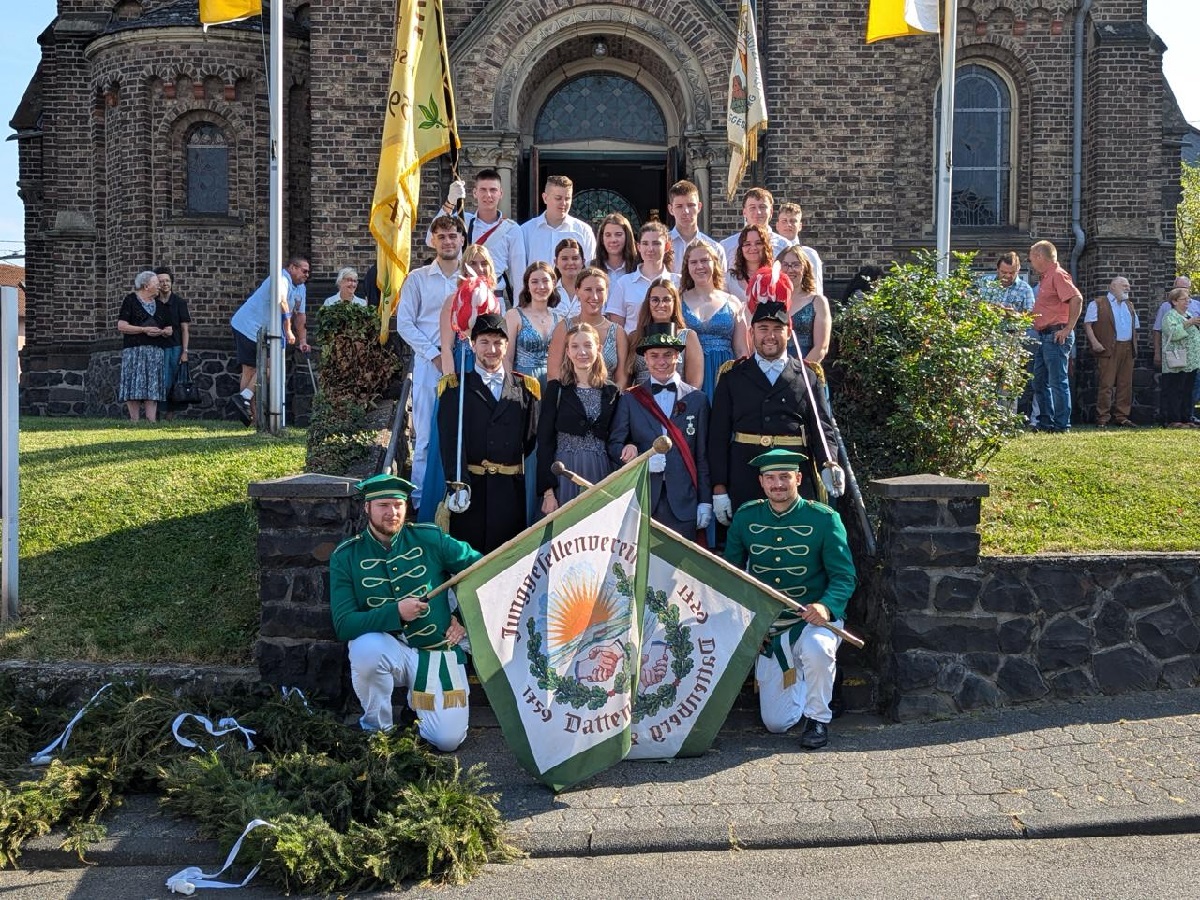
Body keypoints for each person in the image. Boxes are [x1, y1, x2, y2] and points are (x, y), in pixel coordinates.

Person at [329, 473, 480, 750]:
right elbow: (344, 624)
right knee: (365, 648)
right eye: (383, 505)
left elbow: (481, 569)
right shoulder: (346, 556)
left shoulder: (429, 537)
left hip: (437, 650)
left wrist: (463, 619)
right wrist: (395, 612)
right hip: (389, 652)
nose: (392, 513)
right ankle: (378, 730)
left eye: (398, 505)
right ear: (367, 508)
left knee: (448, 741)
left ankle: (417, 708)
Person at [724, 449, 856, 750]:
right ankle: (810, 682)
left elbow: (844, 577)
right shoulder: (746, 517)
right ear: (761, 482)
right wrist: (747, 624)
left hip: (814, 620)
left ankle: (818, 719)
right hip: (772, 627)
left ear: (798, 478)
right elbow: (731, 575)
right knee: (777, 724)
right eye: (770, 478)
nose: (778, 484)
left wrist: (825, 605)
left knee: (818, 649)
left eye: (785, 477)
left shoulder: (824, 519)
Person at [709, 292, 843, 521]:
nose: (769, 336)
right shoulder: (732, 376)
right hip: (745, 474)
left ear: (788, 333)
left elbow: (821, 428)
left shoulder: (807, 376)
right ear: (751, 334)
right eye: (762, 329)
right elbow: (717, 436)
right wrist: (719, 488)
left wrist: (828, 463)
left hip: (794, 475)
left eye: (777, 329)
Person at [437, 313, 540, 553]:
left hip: (508, 492)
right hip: (470, 490)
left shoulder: (525, 389)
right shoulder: (455, 388)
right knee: (468, 561)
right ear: (473, 345)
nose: (491, 349)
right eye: (484, 342)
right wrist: (457, 485)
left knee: (504, 563)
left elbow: (530, 439)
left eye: (498, 342)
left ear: (507, 346)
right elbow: (450, 443)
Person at [609, 323, 712, 541]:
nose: (661, 362)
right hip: (644, 499)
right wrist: (638, 458)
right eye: (654, 355)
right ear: (645, 359)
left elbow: (703, 456)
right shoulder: (630, 398)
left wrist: (705, 501)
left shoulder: (697, 400)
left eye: (668, 355)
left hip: (685, 500)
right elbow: (614, 446)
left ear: (678, 357)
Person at [396, 215, 464, 511]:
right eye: (442, 237)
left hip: (464, 360)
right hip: (429, 362)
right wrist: (433, 354)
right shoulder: (418, 278)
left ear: (462, 239)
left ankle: (458, 499)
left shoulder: (472, 277)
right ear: (433, 241)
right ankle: (421, 501)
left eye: (453, 236)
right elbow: (404, 324)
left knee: (461, 432)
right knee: (424, 436)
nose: (448, 241)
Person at [537, 322, 621, 515]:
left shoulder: (612, 392)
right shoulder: (556, 390)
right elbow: (545, 442)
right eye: (575, 346)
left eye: (587, 345)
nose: (581, 352)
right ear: (567, 351)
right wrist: (548, 493)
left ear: (598, 348)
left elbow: (618, 436)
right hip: (563, 473)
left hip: (601, 472)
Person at [505, 261, 565, 523]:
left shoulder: (561, 319)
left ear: (553, 285)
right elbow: (506, 358)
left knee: (548, 443)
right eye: (535, 282)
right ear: (527, 286)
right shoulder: (515, 315)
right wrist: (511, 389)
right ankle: (524, 513)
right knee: (526, 447)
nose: (541, 287)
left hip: (553, 387)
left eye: (546, 281)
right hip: (524, 386)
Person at [228, 256, 306, 424]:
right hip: (248, 326)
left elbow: (300, 315)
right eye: (304, 271)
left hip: (267, 331)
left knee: (270, 369)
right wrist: (288, 331)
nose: (307, 275)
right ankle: (252, 418)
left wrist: (302, 340)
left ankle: (244, 399)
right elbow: (282, 302)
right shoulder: (281, 278)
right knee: (252, 370)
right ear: (292, 267)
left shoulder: (301, 288)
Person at [432, 168, 526, 306]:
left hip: (493, 299)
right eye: (483, 190)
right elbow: (431, 238)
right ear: (475, 193)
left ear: (501, 194)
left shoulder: (512, 229)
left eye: (493, 190)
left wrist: (520, 313)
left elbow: (518, 276)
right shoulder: (462, 222)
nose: (488, 195)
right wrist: (450, 201)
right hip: (461, 297)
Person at [679, 241, 748, 405]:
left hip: (725, 371)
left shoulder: (732, 302)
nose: (699, 266)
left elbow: (740, 349)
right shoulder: (678, 301)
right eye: (694, 262)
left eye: (704, 260)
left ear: (714, 263)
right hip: (690, 372)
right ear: (687, 267)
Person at [1027, 240, 1083, 433]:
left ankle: (1061, 425)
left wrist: (1068, 328)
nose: (1030, 262)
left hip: (1056, 335)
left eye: (1031, 258)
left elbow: (1076, 298)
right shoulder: (1046, 278)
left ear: (1039, 257)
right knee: (1039, 381)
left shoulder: (1058, 275)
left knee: (1057, 381)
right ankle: (1046, 422)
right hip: (1044, 335)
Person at [547, 267, 628, 389]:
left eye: (600, 290)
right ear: (577, 291)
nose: (594, 296)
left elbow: (622, 377)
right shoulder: (564, 328)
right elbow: (553, 373)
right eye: (588, 290)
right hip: (570, 401)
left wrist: (611, 399)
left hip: (609, 401)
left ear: (607, 293)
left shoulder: (618, 332)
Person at [625, 278, 703, 389]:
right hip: (641, 401)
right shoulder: (634, 337)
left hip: (677, 400)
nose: (661, 305)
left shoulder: (688, 337)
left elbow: (695, 383)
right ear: (648, 303)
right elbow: (626, 381)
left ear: (674, 302)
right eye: (655, 300)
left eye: (666, 299)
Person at [1083, 276, 1139, 428]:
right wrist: (1095, 343)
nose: (1128, 288)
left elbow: (1135, 327)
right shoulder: (1098, 303)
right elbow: (1088, 325)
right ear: (1113, 287)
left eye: (1128, 285)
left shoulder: (1129, 305)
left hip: (1127, 347)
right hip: (1108, 347)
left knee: (1125, 384)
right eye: (1124, 285)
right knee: (1106, 384)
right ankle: (1103, 417)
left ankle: (1122, 416)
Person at [116, 270, 171, 423]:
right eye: (156, 283)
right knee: (134, 385)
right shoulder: (131, 301)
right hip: (135, 351)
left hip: (155, 351)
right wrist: (143, 330)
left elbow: (169, 327)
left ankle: (151, 420)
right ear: (146, 286)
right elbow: (121, 325)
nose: (159, 286)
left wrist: (165, 331)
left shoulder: (160, 305)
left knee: (152, 386)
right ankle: (134, 420)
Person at [606, 220, 680, 330]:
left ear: (667, 247)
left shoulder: (677, 282)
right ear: (638, 247)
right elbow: (616, 329)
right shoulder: (624, 283)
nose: (650, 249)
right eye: (645, 243)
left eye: (656, 243)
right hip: (633, 345)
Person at [1152, 277, 1200, 424]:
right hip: (1177, 359)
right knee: (1175, 390)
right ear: (1174, 301)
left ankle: (1186, 418)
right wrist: (1189, 323)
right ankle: (1174, 419)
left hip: (1191, 361)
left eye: (1188, 299)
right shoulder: (1170, 316)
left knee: (1187, 390)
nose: (1187, 302)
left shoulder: (1189, 314)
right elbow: (1173, 334)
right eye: (1184, 300)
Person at [521, 174, 597, 266]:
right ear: (545, 198)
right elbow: (519, 269)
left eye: (567, 199)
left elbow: (589, 269)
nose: (563, 203)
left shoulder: (583, 231)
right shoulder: (526, 231)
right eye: (558, 198)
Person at [778, 246, 830, 363]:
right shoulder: (770, 301)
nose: (790, 270)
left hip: (807, 371)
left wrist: (798, 372)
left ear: (805, 268)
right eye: (785, 265)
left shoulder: (818, 302)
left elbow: (821, 347)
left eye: (796, 265)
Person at [666, 179, 726, 277]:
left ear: (699, 207)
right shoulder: (661, 246)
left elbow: (720, 285)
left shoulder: (715, 249)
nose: (685, 211)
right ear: (671, 209)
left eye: (690, 205)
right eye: (679, 206)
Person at [154, 266, 191, 418]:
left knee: (172, 381)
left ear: (172, 283)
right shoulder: (152, 303)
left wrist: (185, 351)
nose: (165, 284)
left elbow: (184, 329)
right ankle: (154, 415)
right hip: (156, 347)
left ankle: (169, 415)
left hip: (175, 347)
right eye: (161, 281)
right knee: (157, 381)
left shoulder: (179, 303)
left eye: (167, 281)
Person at [719, 187, 791, 265]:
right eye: (752, 207)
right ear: (744, 212)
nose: (758, 212)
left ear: (771, 212)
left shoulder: (784, 246)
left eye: (762, 207)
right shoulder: (727, 246)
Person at [774, 202, 824, 296]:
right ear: (777, 226)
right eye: (784, 221)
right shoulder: (770, 253)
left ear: (800, 226)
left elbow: (816, 288)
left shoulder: (810, 254)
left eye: (793, 221)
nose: (789, 224)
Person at [726, 224, 774, 303]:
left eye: (758, 243)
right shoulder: (729, 279)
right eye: (747, 244)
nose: (753, 248)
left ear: (766, 246)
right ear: (741, 249)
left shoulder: (775, 277)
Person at [593, 212, 639, 278]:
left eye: (618, 234)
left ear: (627, 237)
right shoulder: (591, 266)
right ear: (602, 239)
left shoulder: (639, 267)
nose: (613, 240)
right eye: (608, 235)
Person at [552, 238, 585, 316]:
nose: (570, 263)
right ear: (556, 262)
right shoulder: (548, 292)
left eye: (575, 258)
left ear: (583, 262)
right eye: (564, 259)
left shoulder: (592, 291)